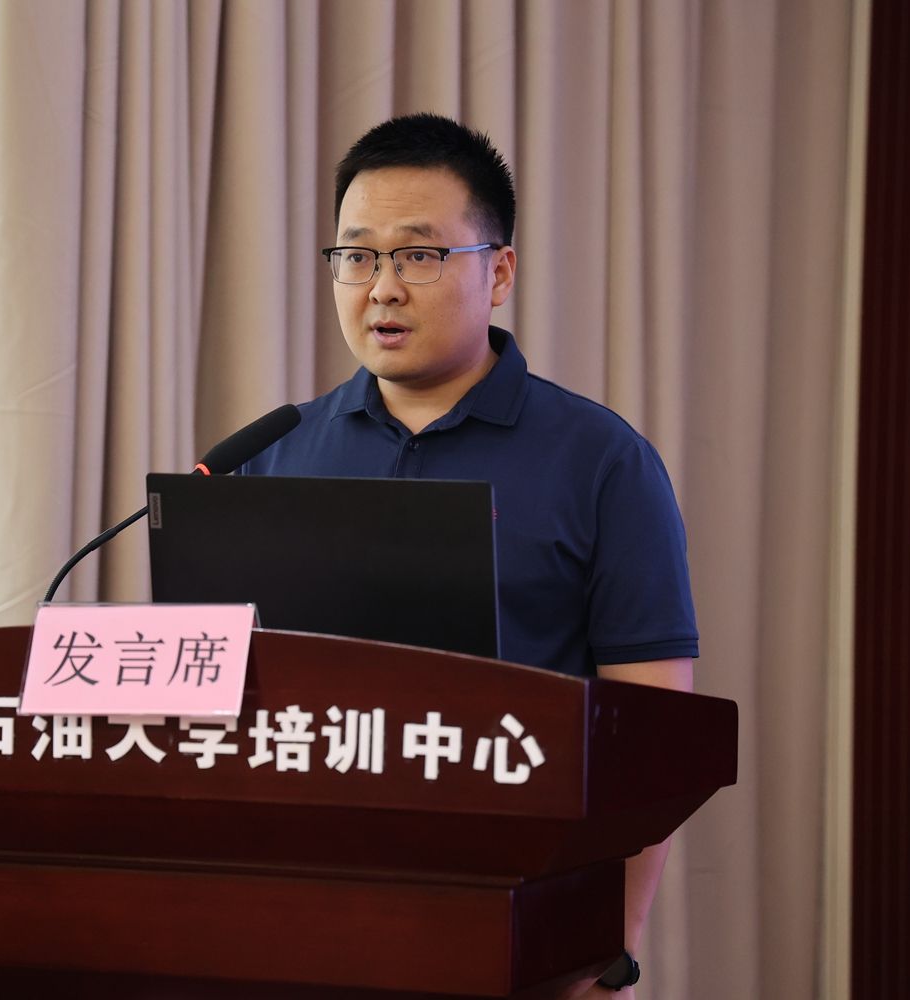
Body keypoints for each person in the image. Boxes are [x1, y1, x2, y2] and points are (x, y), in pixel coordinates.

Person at [241, 113, 697, 998]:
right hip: (303, 933)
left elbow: (656, 742)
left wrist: (607, 953)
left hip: (520, 934)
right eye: (357, 256)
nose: (382, 288)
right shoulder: (275, 454)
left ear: (500, 272)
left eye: (418, 255)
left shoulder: (602, 462)